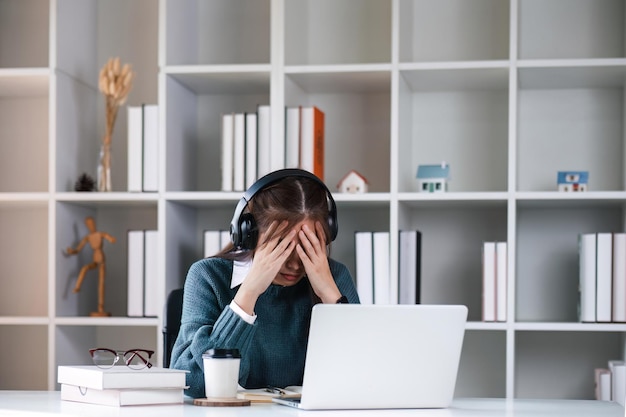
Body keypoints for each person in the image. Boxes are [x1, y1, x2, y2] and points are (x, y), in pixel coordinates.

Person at [170, 169, 360, 398]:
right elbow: (193, 383)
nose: (294, 264)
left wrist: (331, 297)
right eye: (281, 246)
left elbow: (363, 379)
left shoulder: (336, 277)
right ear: (248, 234)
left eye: (306, 246)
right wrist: (248, 293)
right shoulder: (208, 276)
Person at [65, 216, 116, 316]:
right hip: (95, 258)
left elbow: (108, 237)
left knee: (101, 283)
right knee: (84, 268)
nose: (91, 226)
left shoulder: (100, 234)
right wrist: (72, 251)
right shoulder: (88, 238)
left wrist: (111, 239)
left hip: (101, 258)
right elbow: (78, 249)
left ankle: (101, 307)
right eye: (89, 224)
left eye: (92, 223)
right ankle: (77, 287)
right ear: (87, 226)